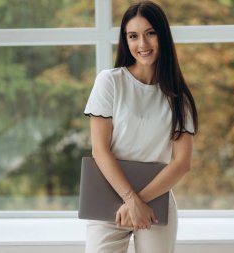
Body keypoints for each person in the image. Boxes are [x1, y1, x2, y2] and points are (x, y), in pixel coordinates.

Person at [83, 1, 198, 252]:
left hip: (155, 201)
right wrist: (129, 199)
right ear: (126, 41)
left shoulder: (179, 97)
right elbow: (100, 151)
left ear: (163, 36)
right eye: (133, 36)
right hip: (108, 196)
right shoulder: (109, 82)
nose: (142, 45)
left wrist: (138, 201)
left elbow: (182, 163)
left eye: (150, 33)